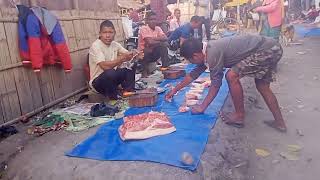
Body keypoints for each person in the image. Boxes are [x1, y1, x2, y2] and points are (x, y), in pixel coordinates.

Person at [165, 35, 287, 133]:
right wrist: (175, 90)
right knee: (262, 87)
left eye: (191, 60)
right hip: (272, 47)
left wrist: (202, 107)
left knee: (231, 76)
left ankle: (239, 116)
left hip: (266, 50)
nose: (192, 63)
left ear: (196, 55)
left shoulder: (213, 53)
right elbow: (193, 74)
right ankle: (280, 123)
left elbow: (216, 85)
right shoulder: (207, 50)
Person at [89, 20, 142, 100]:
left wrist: (135, 54)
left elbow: (128, 55)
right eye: (105, 32)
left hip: (112, 78)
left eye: (111, 32)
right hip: (98, 83)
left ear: (114, 33)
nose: (108, 35)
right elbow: (104, 66)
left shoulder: (115, 44)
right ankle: (113, 99)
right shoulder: (96, 46)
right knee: (110, 72)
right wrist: (121, 59)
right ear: (100, 34)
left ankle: (128, 91)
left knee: (131, 64)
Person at [138, 11, 170, 77]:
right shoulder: (143, 29)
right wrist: (159, 40)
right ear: (147, 21)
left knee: (163, 47)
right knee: (147, 50)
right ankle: (144, 72)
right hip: (143, 54)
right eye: (151, 19)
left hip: (153, 52)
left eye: (155, 19)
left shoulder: (158, 28)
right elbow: (149, 42)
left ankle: (165, 68)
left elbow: (165, 38)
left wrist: (153, 39)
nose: (153, 21)